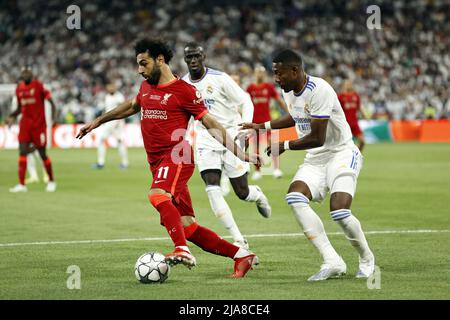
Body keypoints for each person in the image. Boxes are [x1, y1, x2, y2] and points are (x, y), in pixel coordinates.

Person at [77, 38, 259, 278]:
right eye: (138, 64)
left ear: (160, 60)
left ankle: (181, 249)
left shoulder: (184, 91)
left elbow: (211, 123)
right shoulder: (146, 87)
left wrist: (240, 153)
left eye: (144, 63)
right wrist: (98, 121)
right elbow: (132, 106)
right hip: (157, 163)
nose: (139, 70)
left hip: (177, 157)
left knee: (157, 195)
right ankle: (241, 256)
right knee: (188, 226)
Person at [241, 49, 375, 281]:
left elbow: (317, 137)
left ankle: (366, 258)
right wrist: (260, 126)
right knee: (294, 197)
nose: (276, 78)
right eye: (274, 73)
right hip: (316, 159)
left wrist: (285, 145)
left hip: (340, 153)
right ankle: (332, 261)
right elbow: (295, 117)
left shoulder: (320, 89)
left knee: (340, 211)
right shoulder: (290, 90)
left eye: (279, 73)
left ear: (295, 70)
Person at [182, 42, 272, 250]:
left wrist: (245, 129)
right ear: (185, 60)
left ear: (203, 56)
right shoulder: (184, 85)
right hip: (205, 139)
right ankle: (238, 238)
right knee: (212, 189)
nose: (193, 60)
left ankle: (257, 195)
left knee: (242, 193)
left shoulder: (220, 79)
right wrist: (184, 137)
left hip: (232, 136)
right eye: (189, 57)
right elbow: (185, 115)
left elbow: (246, 100)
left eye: (196, 56)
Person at [6, 66, 57, 192]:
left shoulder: (38, 86)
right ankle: (22, 185)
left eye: (28, 71)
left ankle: (51, 181)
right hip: (25, 125)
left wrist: (54, 117)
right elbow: (19, 109)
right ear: (21, 75)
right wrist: (11, 116)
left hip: (38, 126)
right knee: (22, 151)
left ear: (32, 73)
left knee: (42, 154)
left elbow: (51, 102)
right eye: (24, 72)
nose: (26, 74)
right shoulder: (19, 89)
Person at [246, 65, 289, 180]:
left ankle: (276, 169)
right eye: (258, 72)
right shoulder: (250, 88)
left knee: (272, 143)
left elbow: (279, 100)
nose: (260, 74)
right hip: (255, 122)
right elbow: (244, 103)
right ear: (255, 74)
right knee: (256, 146)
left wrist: (289, 112)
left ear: (264, 74)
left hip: (268, 122)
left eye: (261, 72)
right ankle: (258, 170)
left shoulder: (268, 87)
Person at [93, 82, 129, 169]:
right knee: (114, 141)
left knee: (117, 141)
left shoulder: (119, 97)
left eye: (112, 87)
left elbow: (122, 109)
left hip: (116, 123)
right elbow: (107, 110)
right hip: (109, 122)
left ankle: (123, 163)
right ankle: (102, 163)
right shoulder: (107, 96)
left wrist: (119, 121)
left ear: (114, 88)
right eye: (109, 87)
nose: (110, 89)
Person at [338, 79, 366, 152]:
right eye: (346, 84)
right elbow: (337, 109)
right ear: (344, 85)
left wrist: (364, 115)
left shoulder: (355, 95)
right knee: (343, 144)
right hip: (345, 123)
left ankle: (358, 154)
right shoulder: (341, 96)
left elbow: (359, 107)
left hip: (354, 123)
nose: (348, 85)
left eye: (349, 84)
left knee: (362, 141)